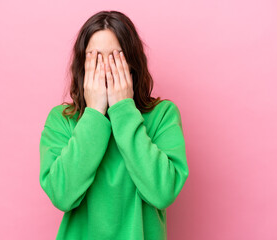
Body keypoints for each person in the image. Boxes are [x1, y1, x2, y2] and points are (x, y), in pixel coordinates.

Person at [39, 10, 189, 240]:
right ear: (82, 64)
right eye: (95, 58)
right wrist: (94, 115)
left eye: (115, 57)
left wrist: (123, 110)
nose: (106, 69)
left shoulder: (163, 115)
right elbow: (62, 195)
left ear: (131, 63)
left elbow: (163, 192)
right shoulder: (61, 119)